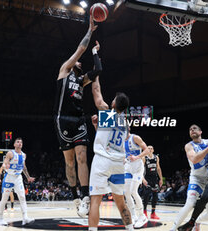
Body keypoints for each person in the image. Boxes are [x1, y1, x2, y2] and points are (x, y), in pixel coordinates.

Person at [53, 15, 101, 217]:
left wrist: (95, 52)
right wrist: (90, 30)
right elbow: (79, 49)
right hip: (62, 119)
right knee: (70, 162)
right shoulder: (64, 70)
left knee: (83, 157)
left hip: (79, 119)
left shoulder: (81, 81)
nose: (80, 62)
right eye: (78, 61)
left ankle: (84, 198)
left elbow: (98, 70)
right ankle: (74, 196)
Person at [88, 76, 133, 231]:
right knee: (121, 202)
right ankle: (130, 228)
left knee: (95, 201)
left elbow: (96, 91)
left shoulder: (108, 114)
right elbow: (111, 139)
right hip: (118, 163)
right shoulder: (126, 124)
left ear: (114, 103)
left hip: (102, 161)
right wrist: (97, 126)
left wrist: (96, 74)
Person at [170, 124, 208, 231]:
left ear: (200, 132)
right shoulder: (189, 145)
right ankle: (173, 228)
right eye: (190, 129)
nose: (192, 130)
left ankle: (196, 221)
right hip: (196, 179)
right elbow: (194, 159)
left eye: (194, 128)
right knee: (190, 204)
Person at [0, 137, 35, 226]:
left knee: (22, 197)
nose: (19, 143)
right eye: (17, 142)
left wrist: (28, 177)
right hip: (9, 177)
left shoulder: (24, 155)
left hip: (18, 177)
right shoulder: (11, 153)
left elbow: (24, 167)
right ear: (14, 144)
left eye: (21, 142)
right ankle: (0, 219)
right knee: (4, 198)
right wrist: (6, 165)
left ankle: (25, 218)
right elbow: (5, 161)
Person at [124, 132, 150, 228]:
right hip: (128, 166)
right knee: (126, 192)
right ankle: (133, 215)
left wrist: (137, 157)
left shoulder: (135, 138)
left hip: (138, 167)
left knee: (133, 191)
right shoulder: (121, 140)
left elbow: (147, 150)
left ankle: (142, 216)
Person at [142, 146, 163, 220]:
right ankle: (144, 212)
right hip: (147, 178)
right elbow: (141, 169)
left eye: (151, 148)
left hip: (155, 179)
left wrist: (161, 179)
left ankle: (153, 213)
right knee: (146, 195)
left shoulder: (156, 157)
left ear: (153, 150)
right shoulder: (144, 157)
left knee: (155, 196)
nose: (150, 149)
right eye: (148, 148)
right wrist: (143, 179)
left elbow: (158, 168)